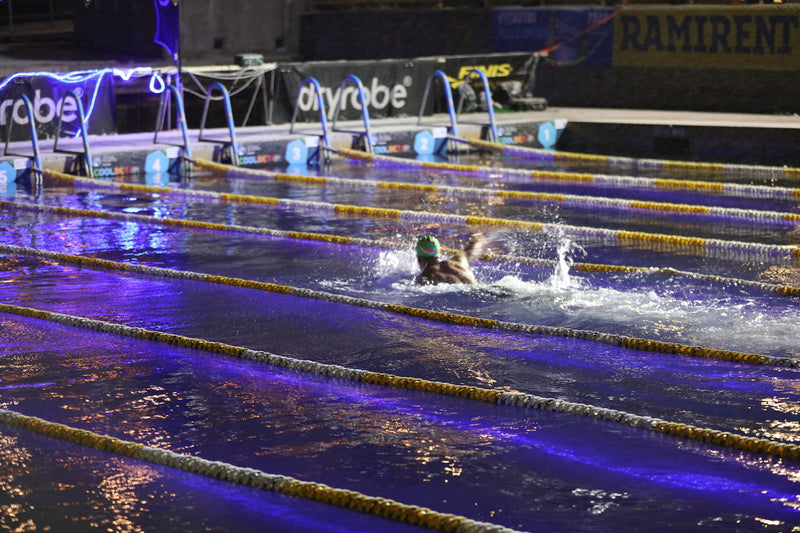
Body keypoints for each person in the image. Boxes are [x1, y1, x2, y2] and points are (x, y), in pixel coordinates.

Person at [415, 233, 486, 285]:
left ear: (420, 259)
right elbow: (473, 249)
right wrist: (476, 237)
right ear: (439, 255)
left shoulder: (425, 277)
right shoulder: (459, 261)